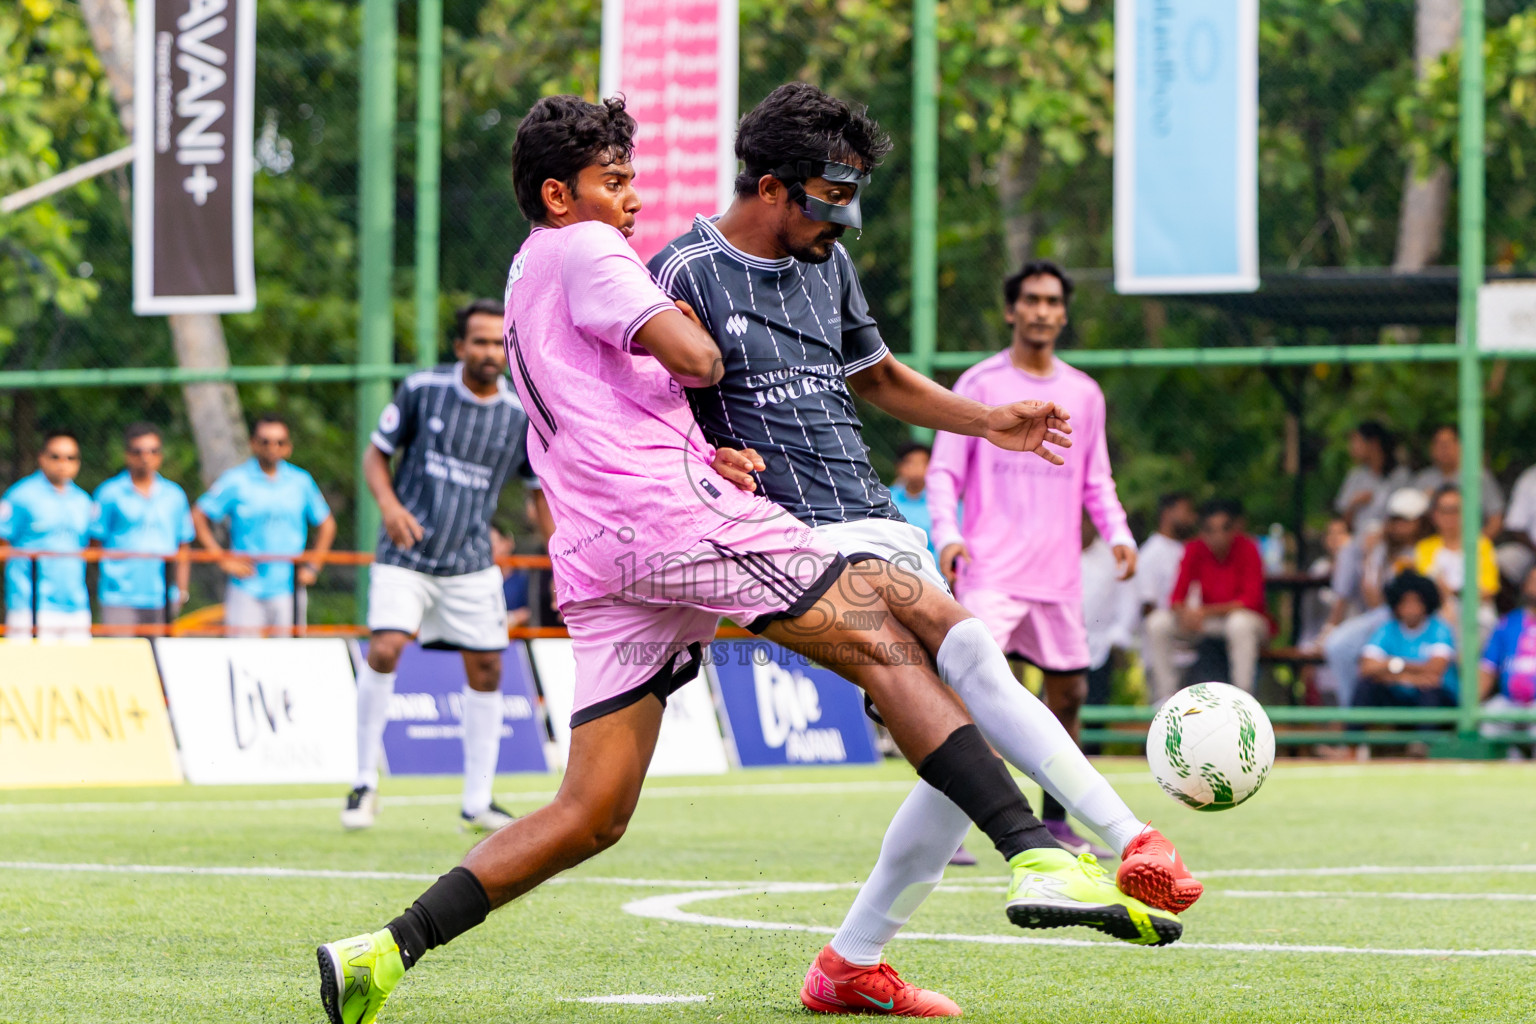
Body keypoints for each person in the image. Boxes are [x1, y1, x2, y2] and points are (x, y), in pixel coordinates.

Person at [316, 94, 1180, 1024]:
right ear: (560, 194)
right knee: (891, 633)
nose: (633, 199)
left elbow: (617, 392)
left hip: (603, 551)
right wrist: (695, 367)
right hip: (673, 521)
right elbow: (694, 355)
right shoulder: (593, 246)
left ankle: (382, 952)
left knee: (591, 812)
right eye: (615, 183)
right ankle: (1035, 851)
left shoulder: (529, 270)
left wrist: (701, 443)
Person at [648, 83, 1196, 1015]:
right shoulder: (681, 271)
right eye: (830, 199)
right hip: (779, 533)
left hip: (869, 515)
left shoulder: (827, 261)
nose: (845, 221)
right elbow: (639, 411)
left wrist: (989, 422)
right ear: (773, 185)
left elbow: (881, 377)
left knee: (955, 737)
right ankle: (1123, 837)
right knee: (970, 658)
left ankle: (852, 964)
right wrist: (704, 459)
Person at [925, 258, 1138, 859]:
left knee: (1067, 694)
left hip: (1058, 576)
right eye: (1032, 300)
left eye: (1052, 301)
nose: (1042, 310)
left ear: (1063, 313)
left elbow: (1097, 479)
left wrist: (1117, 531)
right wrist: (949, 536)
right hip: (991, 571)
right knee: (972, 695)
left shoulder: (1083, 394)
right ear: (1012, 310)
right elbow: (944, 472)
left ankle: (1059, 821)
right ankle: (953, 828)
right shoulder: (979, 385)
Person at [342, 299, 540, 834]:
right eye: (479, 341)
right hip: (406, 555)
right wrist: (389, 507)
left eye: (499, 343)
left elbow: (536, 489)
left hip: (471, 562)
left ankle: (477, 801)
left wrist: (554, 545)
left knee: (489, 668)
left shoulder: (519, 414)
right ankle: (364, 782)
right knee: (385, 647)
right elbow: (375, 454)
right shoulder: (422, 389)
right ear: (459, 347)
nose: (490, 352)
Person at [192, 414, 337, 636]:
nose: (272, 447)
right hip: (246, 586)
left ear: (288, 447)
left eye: (280, 442)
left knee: (287, 659)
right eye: (265, 441)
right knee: (244, 658)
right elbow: (199, 515)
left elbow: (326, 524)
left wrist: (313, 566)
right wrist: (222, 560)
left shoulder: (300, 481)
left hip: (288, 587)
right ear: (253, 443)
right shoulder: (236, 480)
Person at [1144, 498, 1270, 700]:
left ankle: (1244, 700)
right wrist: (1184, 613)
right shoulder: (1194, 548)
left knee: (1239, 624)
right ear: (1203, 532)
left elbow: (1251, 601)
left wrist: (1204, 612)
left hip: (1245, 624)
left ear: (1233, 530)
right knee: (1157, 623)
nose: (1218, 536)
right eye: (1211, 530)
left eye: (1224, 529)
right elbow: (1176, 597)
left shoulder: (1248, 547)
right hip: (1205, 623)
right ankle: (1165, 699)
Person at [1322, 488, 1427, 708]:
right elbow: (1374, 599)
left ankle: (1354, 721)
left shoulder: (1423, 551)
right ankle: (1351, 719)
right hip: (1384, 618)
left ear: (1420, 522)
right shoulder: (1379, 549)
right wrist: (1370, 558)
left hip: (1411, 624)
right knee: (1338, 646)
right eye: (1395, 519)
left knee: (1345, 647)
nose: (1399, 526)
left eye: (1406, 520)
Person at [89, 423, 193, 631]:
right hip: (119, 597)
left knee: (159, 661)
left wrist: (181, 590)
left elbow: (183, 545)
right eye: (138, 452)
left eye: (152, 451)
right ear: (127, 455)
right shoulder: (109, 493)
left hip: (162, 595)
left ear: (160, 455)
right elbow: (94, 544)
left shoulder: (174, 495)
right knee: (121, 660)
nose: (145, 457)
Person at [0, 430, 93, 642]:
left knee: (76, 673)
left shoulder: (83, 501)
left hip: (75, 605)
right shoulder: (21, 496)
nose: (63, 463)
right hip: (30, 605)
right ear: (41, 457)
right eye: (55, 456)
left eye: (70, 457)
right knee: (28, 673)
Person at [1356, 570, 1457, 713]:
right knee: (1366, 686)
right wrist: (1407, 675)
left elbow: (1434, 670)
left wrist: (1386, 667)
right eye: (1405, 602)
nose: (1410, 608)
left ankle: (1426, 736)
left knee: (1429, 691)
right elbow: (1366, 667)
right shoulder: (1387, 629)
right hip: (1399, 694)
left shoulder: (1440, 629)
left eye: (1416, 602)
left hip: (1437, 700)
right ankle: (1353, 734)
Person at [1413, 484, 1497, 639]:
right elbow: (1424, 591)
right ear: (1434, 515)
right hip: (1436, 617)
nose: (1450, 517)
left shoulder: (1481, 545)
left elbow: (1488, 591)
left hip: (1477, 618)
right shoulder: (1424, 548)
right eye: (1445, 511)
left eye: (1456, 510)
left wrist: (1451, 592)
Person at [1477, 564, 1536, 749]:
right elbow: (1488, 668)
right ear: (1525, 586)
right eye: (1533, 581)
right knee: (1488, 718)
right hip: (1509, 701)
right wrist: (1470, 708)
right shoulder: (1508, 623)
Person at [1411, 424, 1503, 537]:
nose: (1443, 449)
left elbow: (1496, 519)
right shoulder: (1423, 479)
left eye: (1447, 444)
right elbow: (1409, 520)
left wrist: (1477, 545)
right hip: (1430, 547)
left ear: (1461, 446)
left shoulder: (1479, 476)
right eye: (1438, 444)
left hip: (1473, 543)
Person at [1335, 420, 1409, 534]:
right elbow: (1343, 522)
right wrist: (1354, 504)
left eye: (1356, 442)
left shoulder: (1401, 476)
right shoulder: (1355, 475)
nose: (1351, 447)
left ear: (1373, 444)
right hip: (1359, 541)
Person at [886, 441, 936, 559]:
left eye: (922, 463)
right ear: (899, 467)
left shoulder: (943, 501)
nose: (917, 468)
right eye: (910, 463)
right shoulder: (885, 499)